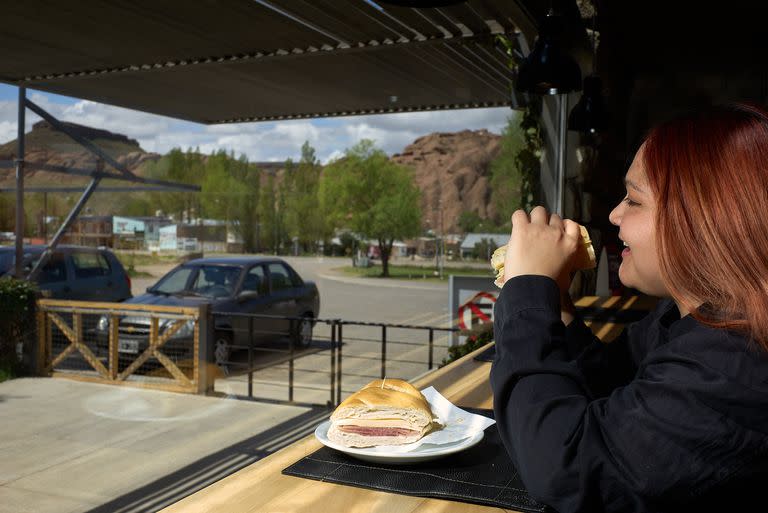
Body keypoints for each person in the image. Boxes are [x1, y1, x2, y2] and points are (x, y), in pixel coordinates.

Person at [490, 102, 768, 513]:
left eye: (634, 201)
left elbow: (568, 469)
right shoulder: (689, 322)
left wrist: (527, 291)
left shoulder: (734, 362)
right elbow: (611, 386)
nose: (614, 214)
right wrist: (557, 299)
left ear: (703, 220)